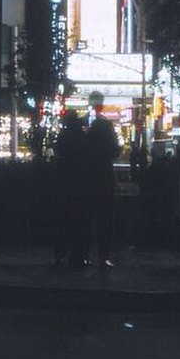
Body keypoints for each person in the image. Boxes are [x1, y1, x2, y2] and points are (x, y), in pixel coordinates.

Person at [82, 114, 123, 269]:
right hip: (105, 181)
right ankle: (103, 256)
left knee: (87, 220)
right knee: (105, 221)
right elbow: (116, 152)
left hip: (89, 181)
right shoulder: (109, 144)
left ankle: (84, 255)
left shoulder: (87, 141)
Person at [52, 111, 89, 270]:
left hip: (65, 185)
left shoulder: (64, 136)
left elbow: (59, 155)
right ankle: (78, 256)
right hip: (80, 186)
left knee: (63, 222)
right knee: (80, 223)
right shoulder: (82, 138)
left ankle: (61, 255)